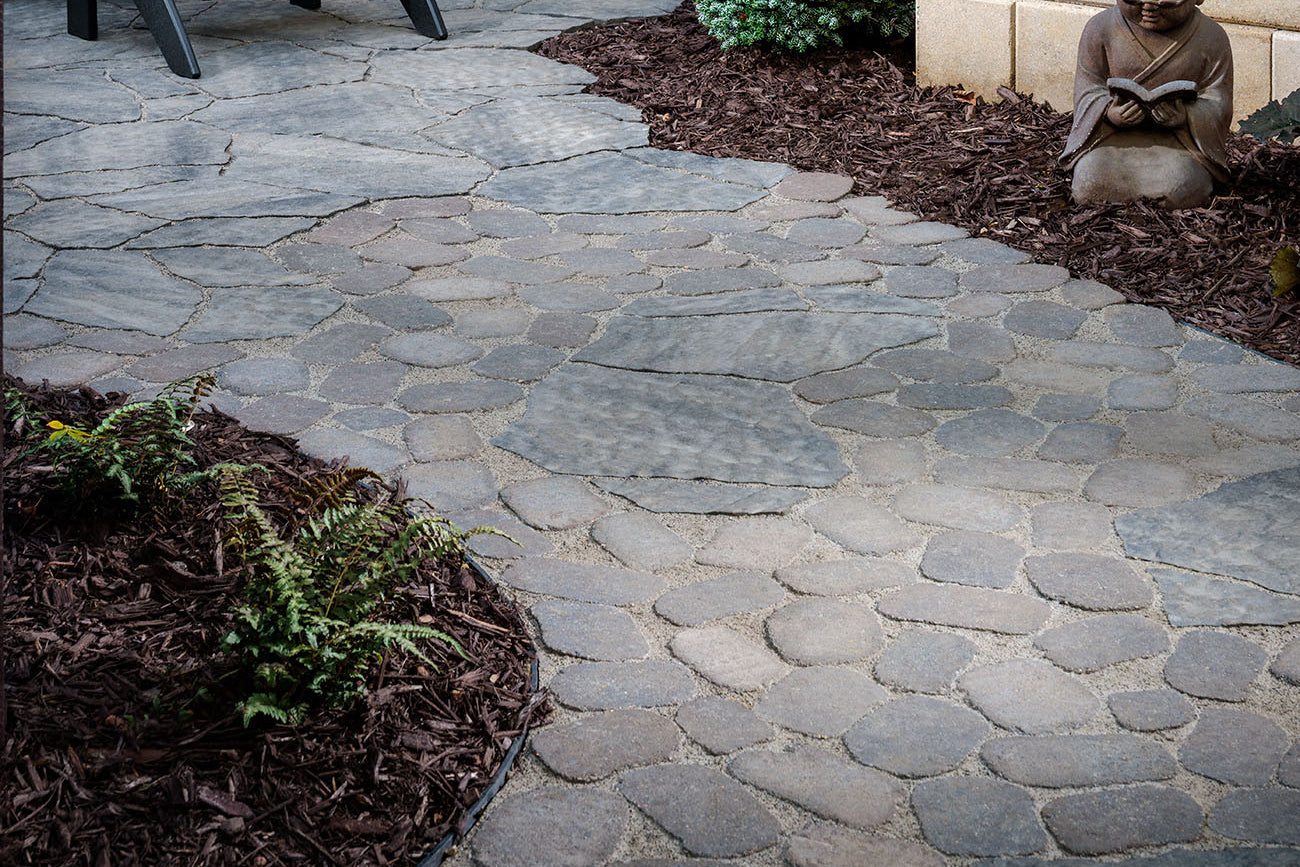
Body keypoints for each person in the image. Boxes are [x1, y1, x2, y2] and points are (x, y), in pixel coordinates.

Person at [1060, 0, 1233, 209]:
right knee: (1090, 180)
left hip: (1178, 144)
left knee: (1181, 182)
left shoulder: (1211, 36)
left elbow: (1218, 100)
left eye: (1167, 1)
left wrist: (1186, 116)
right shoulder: (1100, 28)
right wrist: (1109, 112)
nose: (1149, 7)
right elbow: (1088, 89)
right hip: (1112, 140)